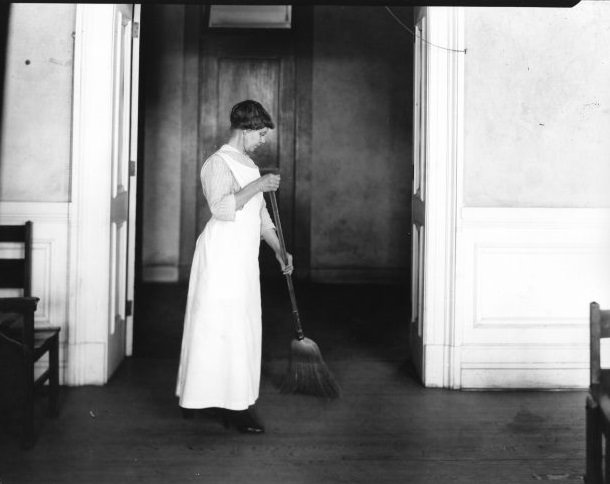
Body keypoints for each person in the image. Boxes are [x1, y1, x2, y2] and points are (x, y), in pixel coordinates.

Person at [175, 100, 293, 434]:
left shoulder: (249, 165)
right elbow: (221, 208)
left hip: (241, 258)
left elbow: (260, 214)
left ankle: (230, 401)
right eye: (261, 133)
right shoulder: (217, 162)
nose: (264, 139)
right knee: (215, 327)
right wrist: (259, 186)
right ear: (245, 128)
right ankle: (215, 403)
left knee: (239, 327)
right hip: (220, 255)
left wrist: (279, 249)